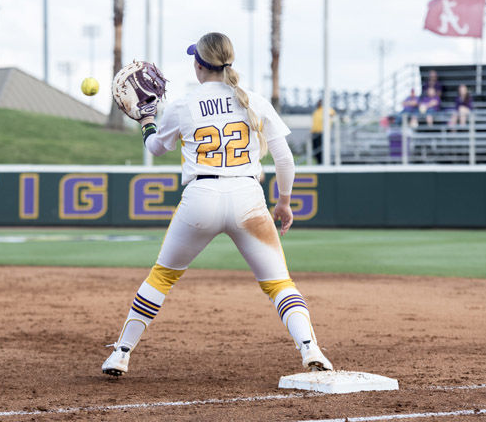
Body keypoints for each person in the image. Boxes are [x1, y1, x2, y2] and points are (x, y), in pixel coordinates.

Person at [102, 32, 333, 377]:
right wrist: (284, 202)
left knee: (162, 277)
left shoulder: (182, 104)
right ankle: (311, 349)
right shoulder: (253, 100)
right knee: (279, 283)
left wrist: (147, 121)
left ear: (198, 65)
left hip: (201, 198)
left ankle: (121, 353)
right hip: (248, 199)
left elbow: (155, 149)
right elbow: (285, 161)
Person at [310, 99, 336, 164]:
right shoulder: (316, 111)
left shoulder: (328, 110)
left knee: (321, 150)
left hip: (322, 133)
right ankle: (319, 163)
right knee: (315, 150)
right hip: (314, 133)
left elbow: (333, 115)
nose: (318, 103)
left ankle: (322, 163)